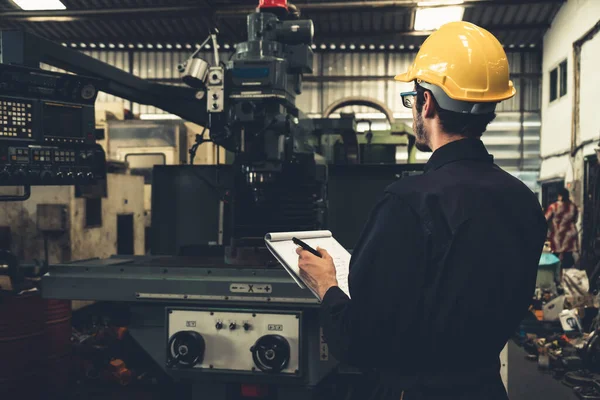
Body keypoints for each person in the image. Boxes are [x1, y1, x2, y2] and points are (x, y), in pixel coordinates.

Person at [296, 21, 548, 400]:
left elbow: (362, 341)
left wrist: (327, 286)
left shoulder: (409, 202)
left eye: (413, 97)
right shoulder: (523, 200)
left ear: (426, 101)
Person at [545, 188, 579, 269]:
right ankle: (567, 274)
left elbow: (545, 219)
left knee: (555, 257)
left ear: (559, 196)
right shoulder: (573, 206)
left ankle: (556, 274)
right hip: (570, 235)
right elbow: (575, 220)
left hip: (558, 235)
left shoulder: (553, 207)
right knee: (568, 256)